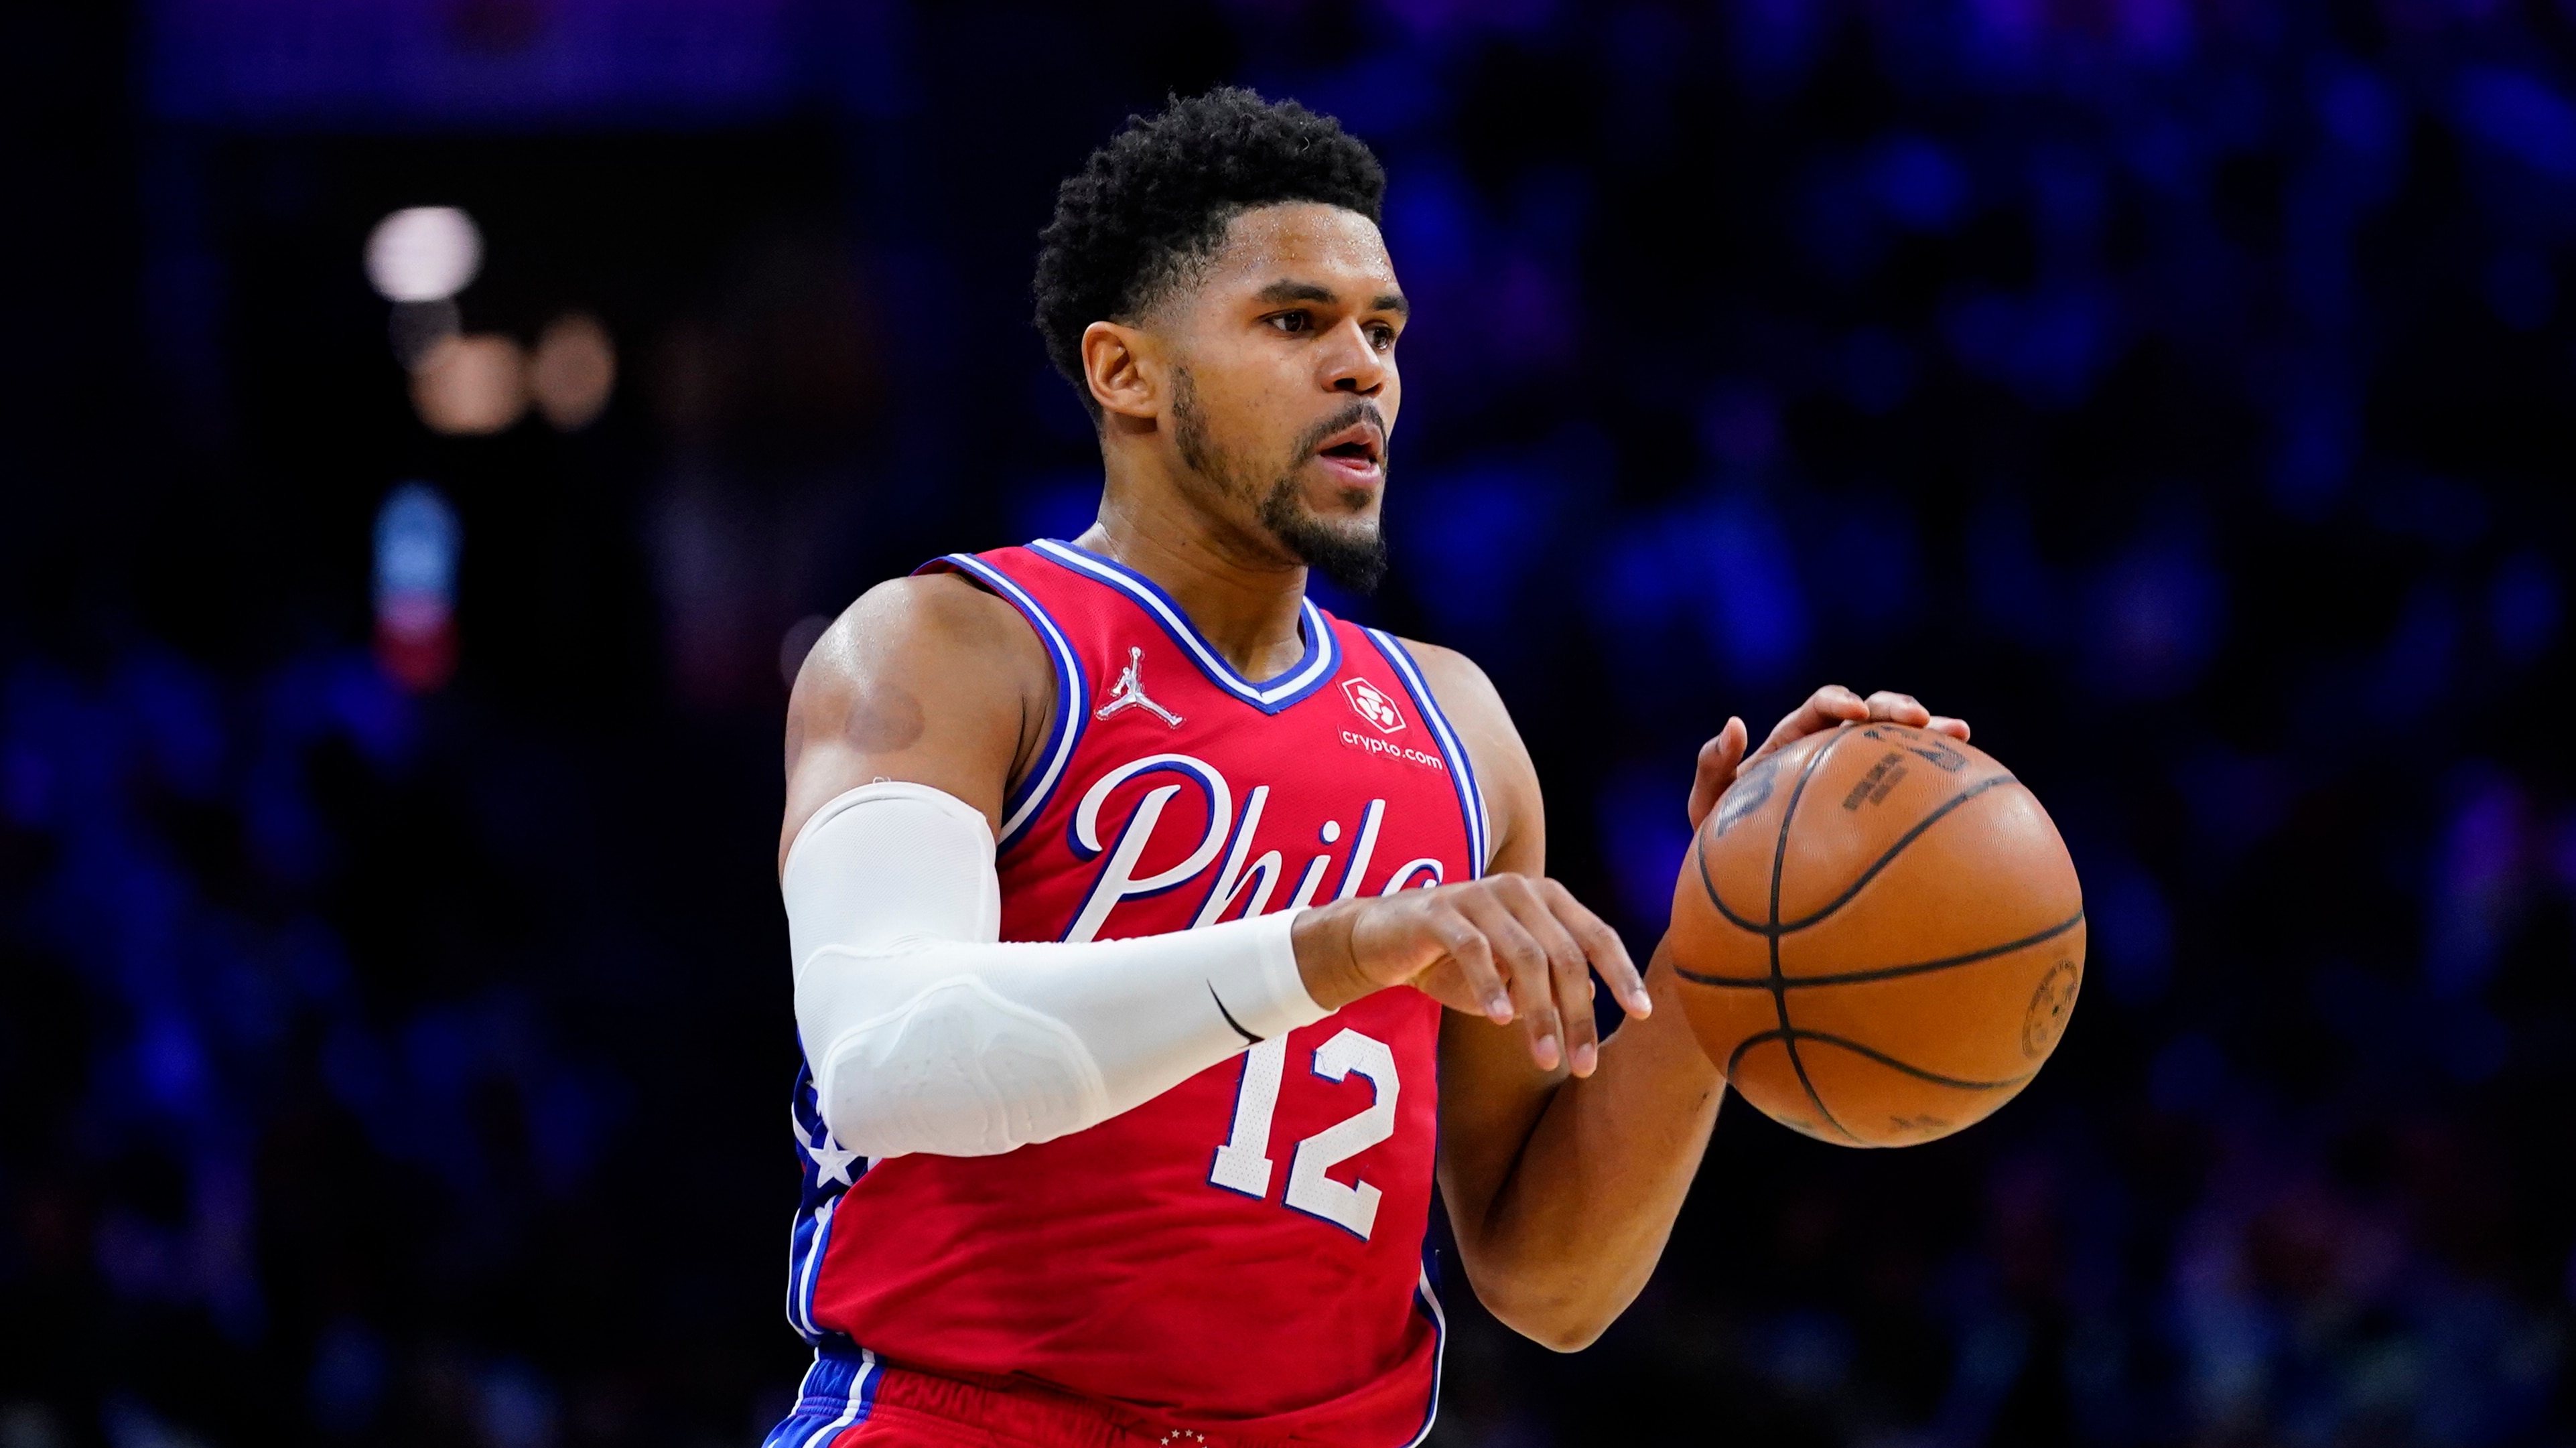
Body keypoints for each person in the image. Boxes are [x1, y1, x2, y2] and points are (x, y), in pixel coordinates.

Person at [763, 88, 1968, 1448]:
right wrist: (1344, 945)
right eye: (1296, 323)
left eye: (1382, 331)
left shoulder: (1458, 728)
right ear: (1126, 372)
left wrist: (1713, 945)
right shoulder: (950, 647)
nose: (1365, 371)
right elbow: (885, 1061)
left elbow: (1546, 1281)